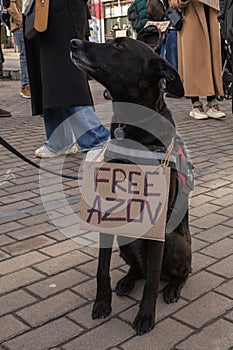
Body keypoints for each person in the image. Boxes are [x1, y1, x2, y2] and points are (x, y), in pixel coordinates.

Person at [23, 0, 109, 158]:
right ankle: (59, 141)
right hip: (44, 11)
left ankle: (96, 138)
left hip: (63, 9)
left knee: (66, 75)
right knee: (49, 79)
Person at [170, 0, 226, 119]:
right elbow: (173, 4)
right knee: (193, 63)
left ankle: (212, 102)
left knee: (211, 62)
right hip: (191, 23)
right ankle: (196, 104)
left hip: (210, 21)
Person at [6, 0, 30, 98]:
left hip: (30, 24)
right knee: (24, 55)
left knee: (30, 56)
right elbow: (11, 6)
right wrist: (21, 22)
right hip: (19, 26)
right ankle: (25, 86)